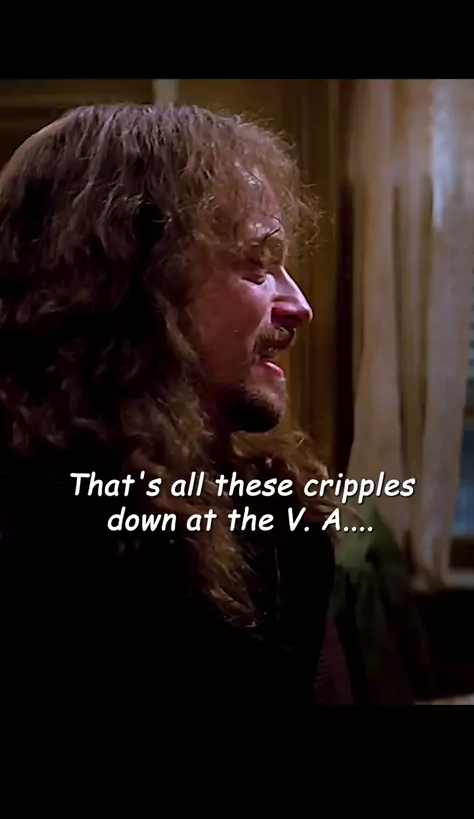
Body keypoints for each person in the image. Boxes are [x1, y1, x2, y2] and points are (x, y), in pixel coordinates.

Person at [0, 104, 353, 817]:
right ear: (134, 280)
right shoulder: (28, 528)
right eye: (258, 263)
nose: (299, 307)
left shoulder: (279, 521)